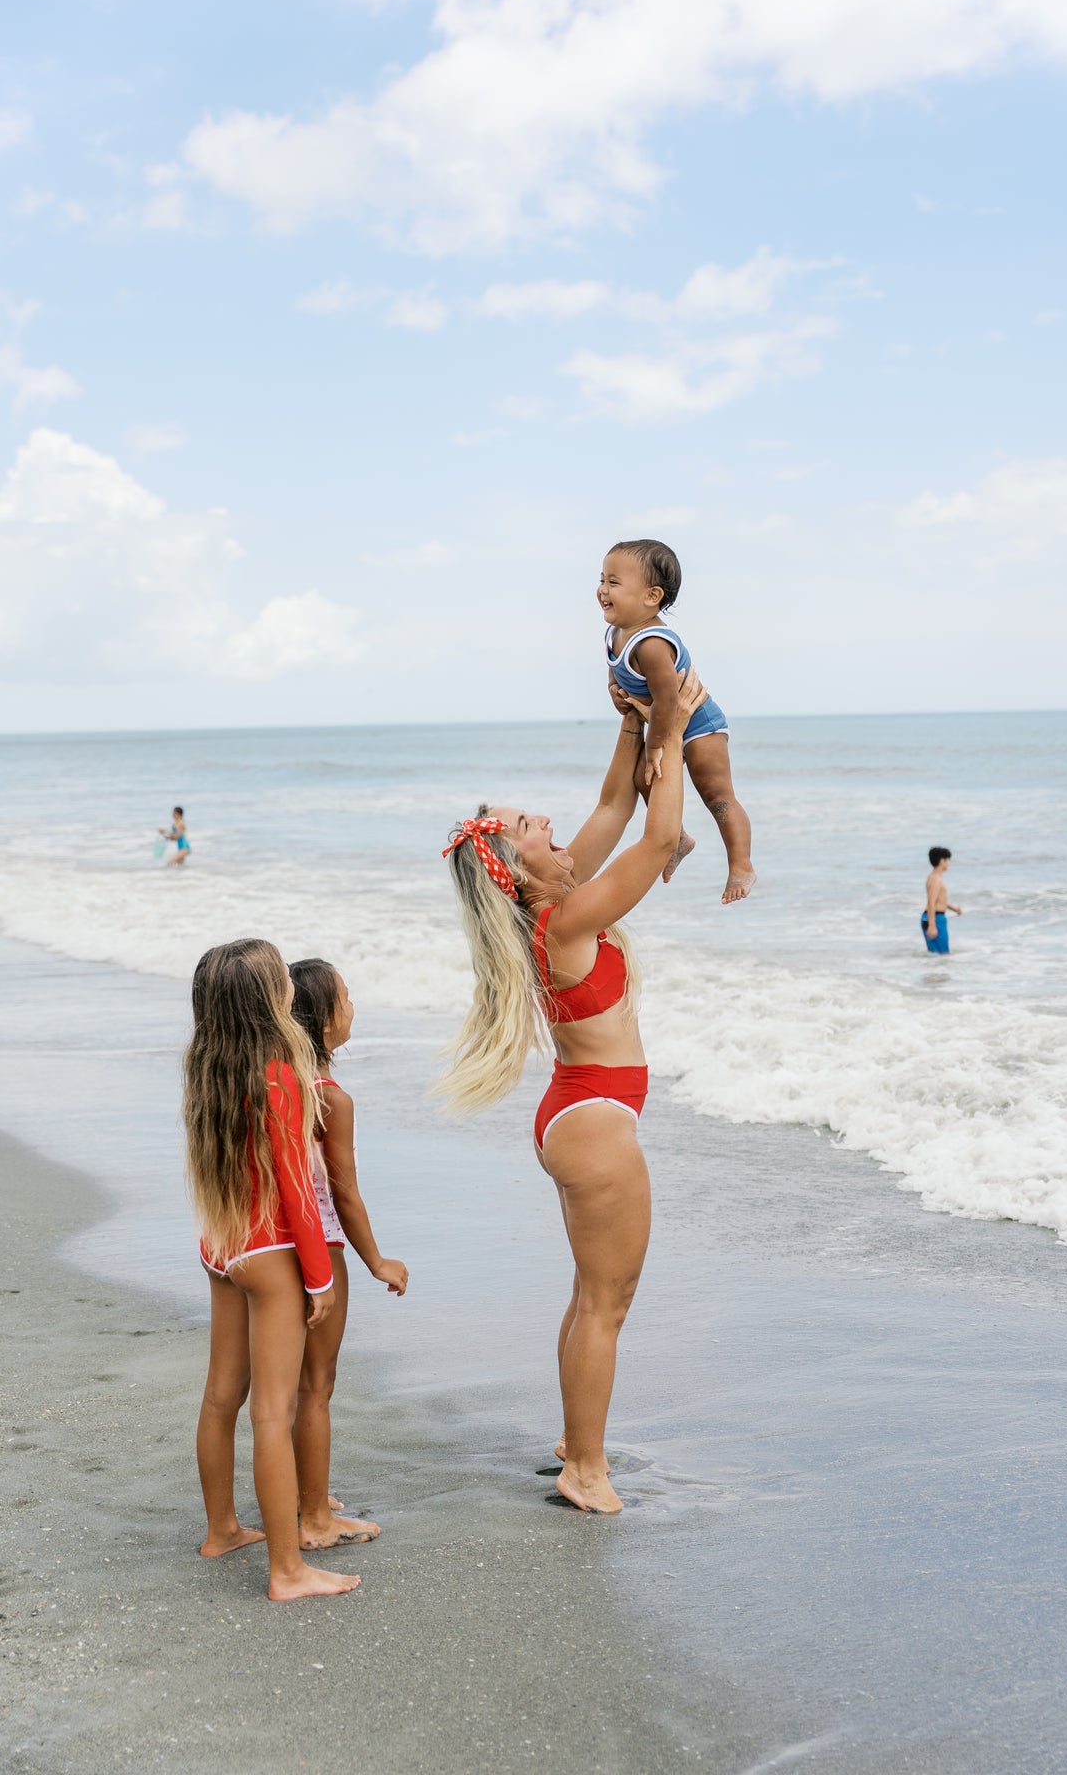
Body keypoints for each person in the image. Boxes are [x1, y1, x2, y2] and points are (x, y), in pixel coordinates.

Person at [439, 665, 709, 1514]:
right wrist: (673, 724)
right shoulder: (563, 918)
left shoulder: (550, 896)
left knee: (592, 1295)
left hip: (584, 1112)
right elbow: (658, 843)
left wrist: (633, 726)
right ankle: (584, 1471)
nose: (548, 822)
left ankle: (574, 1439)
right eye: (527, 825)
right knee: (607, 1301)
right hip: (592, 1121)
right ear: (516, 867)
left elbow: (614, 812)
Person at [183, 938, 360, 1602]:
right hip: (268, 1251)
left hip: (220, 1242)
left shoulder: (208, 1063)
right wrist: (319, 1278)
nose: (291, 987)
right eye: (281, 980)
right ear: (267, 1002)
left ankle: (221, 1528)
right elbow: (294, 1186)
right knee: (273, 1412)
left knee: (220, 1397)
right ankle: (288, 1570)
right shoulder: (281, 1072)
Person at [288, 957, 410, 1551]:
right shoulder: (329, 1096)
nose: (353, 1006)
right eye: (346, 997)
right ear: (322, 1019)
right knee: (317, 1383)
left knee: (286, 1380)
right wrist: (377, 1261)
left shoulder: (272, 1076)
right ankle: (314, 1517)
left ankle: (301, 1490)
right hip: (317, 1246)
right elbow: (344, 1191)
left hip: (264, 1240)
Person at [600, 538, 756, 904]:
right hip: (662, 723)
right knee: (643, 779)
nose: (603, 590)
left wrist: (655, 747)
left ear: (651, 596)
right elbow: (615, 668)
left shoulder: (653, 644)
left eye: (614, 582)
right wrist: (613, 688)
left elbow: (669, 700)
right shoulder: (616, 632)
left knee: (716, 794)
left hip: (699, 724)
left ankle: (741, 863)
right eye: (602, 579)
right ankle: (678, 837)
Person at [922, 846, 961, 955]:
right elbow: (931, 902)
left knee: (938, 954)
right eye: (947, 860)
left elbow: (939, 901)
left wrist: (954, 909)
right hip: (935, 918)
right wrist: (932, 925)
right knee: (942, 955)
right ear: (942, 860)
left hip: (935, 917)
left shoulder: (935, 878)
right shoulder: (935, 879)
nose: (948, 863)